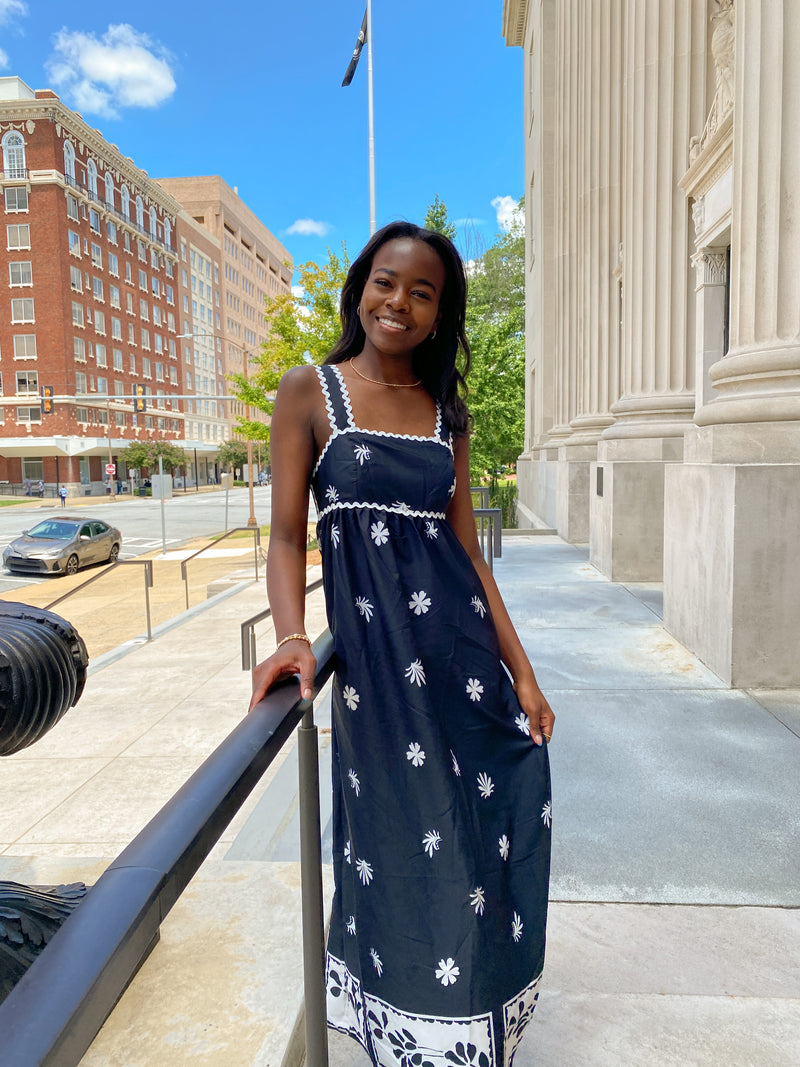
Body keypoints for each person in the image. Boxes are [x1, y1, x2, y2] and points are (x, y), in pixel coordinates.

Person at [250, 222, 554, 1066]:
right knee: (397, 845)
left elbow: (466, 553)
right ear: (360, 288)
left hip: (460, 665)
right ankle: (406, 1027)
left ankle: (472, 1022)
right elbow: (283, 538)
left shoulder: (443, 409)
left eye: (423, 293)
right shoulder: (306, 392)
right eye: (388, 282)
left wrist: (522, 675)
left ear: (438, 312)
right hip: (378, 681)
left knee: (476, 838)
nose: (400, 302)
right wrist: (287, 637)